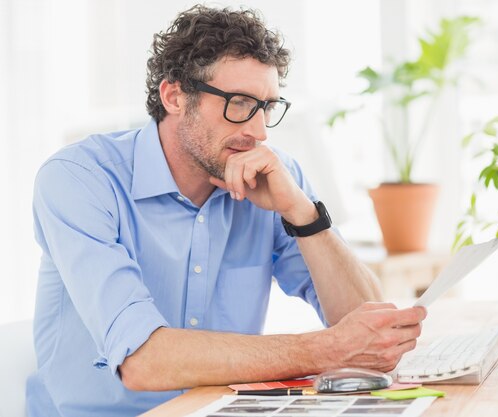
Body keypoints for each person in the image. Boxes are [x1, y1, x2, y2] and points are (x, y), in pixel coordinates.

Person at [27, 5, 427, 417]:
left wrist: (303, 215)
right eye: (239, 103)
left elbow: (366, 327)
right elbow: (142, 360)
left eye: (267, 107)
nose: (258, 131)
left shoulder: (274, 177)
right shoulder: (79, 179)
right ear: (174, 96)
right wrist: (325, 350)